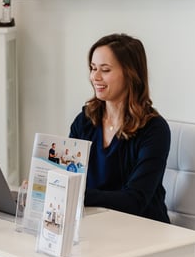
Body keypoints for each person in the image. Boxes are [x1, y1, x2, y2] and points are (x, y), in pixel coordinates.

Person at [69, 33, 170, 223]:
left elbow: (135, 200)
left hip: (144, 230)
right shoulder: (84, 121)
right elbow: (70, 176)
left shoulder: (155, 130)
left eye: (105, 70)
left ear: (130, 74)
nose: (95, 77)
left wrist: (76, 194)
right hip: (96, 225)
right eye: (93, 68)